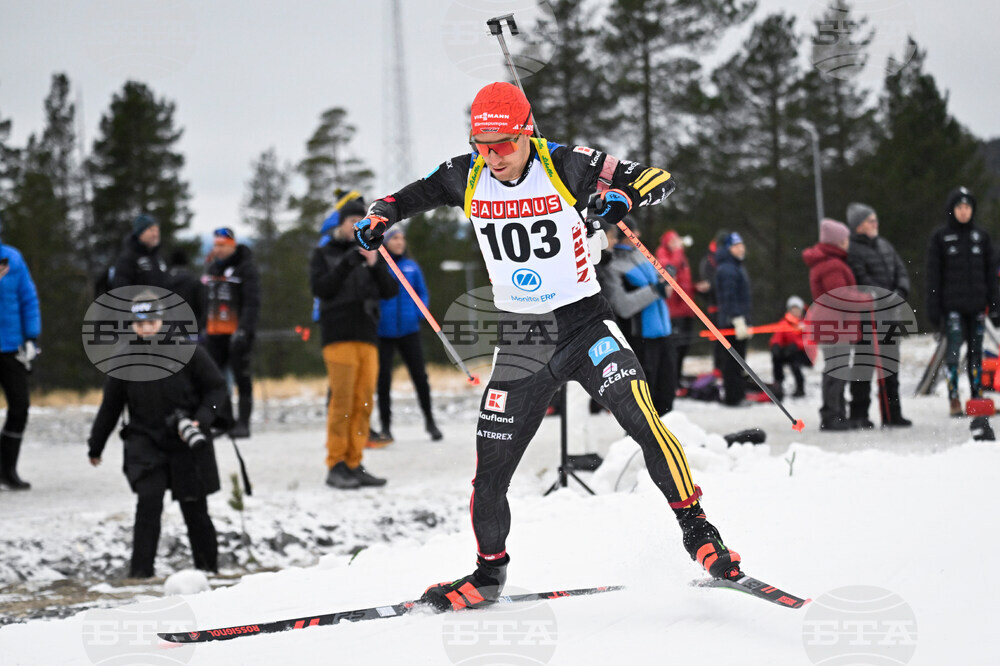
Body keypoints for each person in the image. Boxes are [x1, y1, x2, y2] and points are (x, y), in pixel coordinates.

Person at [353, 81, 742, 611]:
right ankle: (488, 573)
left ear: (526, 134)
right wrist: (377, 217)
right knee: (490, 467)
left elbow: (658, 178)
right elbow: (403, 198)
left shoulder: (567, 164)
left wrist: (621, 196)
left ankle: (700, 533)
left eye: (504, 145)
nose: (492, 158)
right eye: (481, 145)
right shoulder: (465, 174)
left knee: (643, 418)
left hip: (585, 326)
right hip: (522, 338)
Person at [87, 292, 227, 578]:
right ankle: (141, 574)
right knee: (148, 501)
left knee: (194, 506)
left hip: (186, 439)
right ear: (133, 326)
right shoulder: (123, 359)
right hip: (145, 439)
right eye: (140, 323)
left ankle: (208, 570)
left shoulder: (190, 351)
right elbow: (110, 407)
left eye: (152, 321)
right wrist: (96, 445)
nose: (146, 328)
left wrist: (202, 419)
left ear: (162, 320)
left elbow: (217, 389)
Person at [311, 196, 397, 489]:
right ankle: (336, 463)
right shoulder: (324, 254)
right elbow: (322, 288)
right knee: (343, 401)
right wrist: (350, 261)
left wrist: (375, 265)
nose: (356, 227)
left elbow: (389, 291)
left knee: (363, 401)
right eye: (352, 222)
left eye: (360, 222)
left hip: (368, 334)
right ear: (342, 224)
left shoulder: (373, 251)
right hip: (339, 334)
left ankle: (354, 461)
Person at [926, 187, 1000, 417]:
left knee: (977, 354)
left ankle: (977, 395)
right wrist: (934, 308)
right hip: (952, 308)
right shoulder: (941, 238)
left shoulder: (982, 237)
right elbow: (933, 276)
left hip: (977, 306)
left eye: (968, 207)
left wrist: (995, 305)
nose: (964, 212)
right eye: (959, 207)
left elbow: (991, 275)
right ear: (952, 210)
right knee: (954, 355)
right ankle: (954, 398)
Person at [373, 226, 442, 445]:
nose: (400, 242)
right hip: (383, 331)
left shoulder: (412, 267)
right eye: (395, 239)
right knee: (383, 379)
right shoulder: (379, 266)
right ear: (386, 242)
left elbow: (422, 292)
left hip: (409, 330)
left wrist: (419, 313)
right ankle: (386, 425)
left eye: (402, 238)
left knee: (420, 377)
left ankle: (430, 421)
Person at [845, 202, 912, 428]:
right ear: (858, 226)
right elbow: (861, 280)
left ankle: (893, 413)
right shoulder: (852, 250)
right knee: (864, 365)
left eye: (875, 220)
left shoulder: (885, 245)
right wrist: (881, 297)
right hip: (868, 318)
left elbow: (901, 270)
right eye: (870, 221)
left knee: (891, 364)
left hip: (890, 315)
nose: (875, 224)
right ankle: (859, 413)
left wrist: (899, 292)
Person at [600, 218, 676, 414]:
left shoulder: (642, 255)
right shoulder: (613, 266)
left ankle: (668, 436)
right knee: (644, 398)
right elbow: (623, 306)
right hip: (640, 339)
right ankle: (637, 440)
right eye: (634, 232)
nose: (639, 235)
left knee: (666, 392)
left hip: (663, 334)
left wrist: (666, 276)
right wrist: (656, 290)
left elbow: (657, 283)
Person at [803, 219, 865, 431]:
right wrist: (866, 299)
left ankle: (836, 413)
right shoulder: (832, 265)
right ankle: (832, 415)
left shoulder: (827, 262)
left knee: (835, 370)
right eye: (845, 239)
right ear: (837, 241)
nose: (848, 243)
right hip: (835, 324)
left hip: (832, 322)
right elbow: (840, 296)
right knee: (837, 371)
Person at [203, 228, 260, 438]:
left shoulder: (245, 268)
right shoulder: (211, 268)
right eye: (215, 245)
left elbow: (252, 302)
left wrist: (245, 329)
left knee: (241, 377)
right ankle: (225, 420)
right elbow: (205, 299)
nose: (217, 249)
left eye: (221, 245)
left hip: (238, 331)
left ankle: (243, 423)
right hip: (215, 331)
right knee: (216, 379)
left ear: (231, 245)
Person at [0, 224, 41, 490]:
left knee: (20, 407)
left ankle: (7, 469)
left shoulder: (13, 258)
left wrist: (31, 337)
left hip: (11, 347)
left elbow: (28, 298)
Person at [714, 232, 752, 406]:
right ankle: (733, 397)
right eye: (737, 246)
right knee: (733, 361)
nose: (741, 248)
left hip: (740, 320)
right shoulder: (727, 269)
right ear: (729, 249)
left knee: (739, 361)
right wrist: (737, 319)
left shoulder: (736, 266)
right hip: (731, 323)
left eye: (742, 245)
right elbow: (729, 297)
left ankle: (738, 394)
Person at [656, 230, 698, 387]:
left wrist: (695, 288)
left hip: (686, 309)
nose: (677, 243)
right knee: (675, 349)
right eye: (673, 240)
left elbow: (683, 281)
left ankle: (677, 379)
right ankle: (671, 381)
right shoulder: (664, 254)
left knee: (684, 348)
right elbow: (669, 270)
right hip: (674, 311)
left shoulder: (680, 256)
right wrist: (677, 250)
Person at [698, 230, 730, 373]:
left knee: (729, 339)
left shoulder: (728, 257)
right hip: (715, 306)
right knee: (719, 341)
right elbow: (707, 284)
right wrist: (711, 287)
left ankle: (728, 369)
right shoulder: (709, 260)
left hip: (727, 306)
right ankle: (719, 369)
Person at [109, 214, 168, 289]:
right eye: (151, 230)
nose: (155, 234)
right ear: (140, 233)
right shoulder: (127, 259)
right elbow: (120, 290)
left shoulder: (159, 257)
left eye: (157, 230)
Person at [769, 296, 809, 400]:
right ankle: (778, 384)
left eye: (797, 309)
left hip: (802, 353)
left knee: (795, 363)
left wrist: (796, 345)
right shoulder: (784, 323)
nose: (795, 312)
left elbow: (809, 341)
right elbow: (777, 336)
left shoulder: (806, 324)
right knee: (776, 358)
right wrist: (775, 345)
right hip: (787, 351)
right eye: (793, 309)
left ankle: (800, 387)